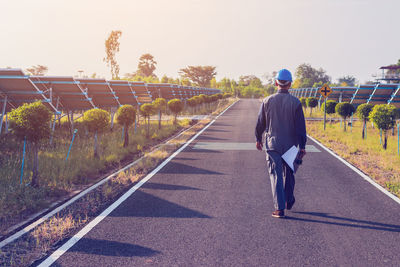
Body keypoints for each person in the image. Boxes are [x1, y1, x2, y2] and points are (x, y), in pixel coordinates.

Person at [255, 69, 307, 218]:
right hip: (291, 144)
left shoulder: (267, 101)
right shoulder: (296, 102)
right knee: (289, 172)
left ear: (276, 82)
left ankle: (279, 208)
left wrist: (258, 138)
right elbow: (300, 127)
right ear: (290, 84)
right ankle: (289, 200)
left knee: (276, 174)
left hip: (273, 145)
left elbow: (260, 123)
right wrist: (302, 146)